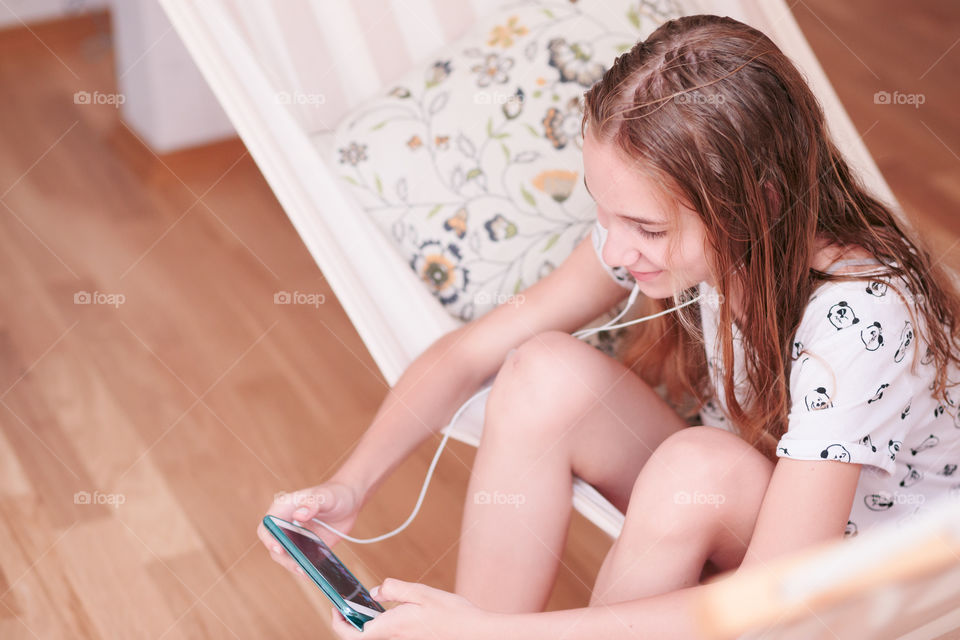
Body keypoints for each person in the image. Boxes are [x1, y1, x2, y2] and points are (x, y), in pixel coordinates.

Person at [258, 14, 960, 639]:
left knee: (698, 468)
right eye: (604, 210)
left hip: (858, 580)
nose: (617, 250)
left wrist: (495, 635)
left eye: (647, 228)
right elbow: (469, 355)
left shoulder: (861, 314)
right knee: (541, 370)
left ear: (761, 205)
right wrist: (351, 487)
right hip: (772, 519)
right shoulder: (675, 236)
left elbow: (775, 602)